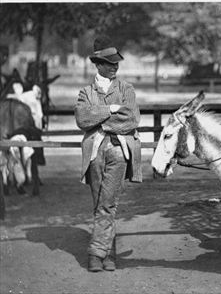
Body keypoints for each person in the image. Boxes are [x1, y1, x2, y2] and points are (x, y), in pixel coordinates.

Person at [75, 36, 142, 273]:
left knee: (107, 204)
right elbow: (83, 120)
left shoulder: (126, 89)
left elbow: (131, 120)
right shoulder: (85, 92)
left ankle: (95, 254)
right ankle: (108, 255)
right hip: (94, 153)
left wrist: (101, 121)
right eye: (109, 63)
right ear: (98, 64)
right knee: (100, 205)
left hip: (118, 150)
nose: (114, 67)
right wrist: (111, 110)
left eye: (116, 63)